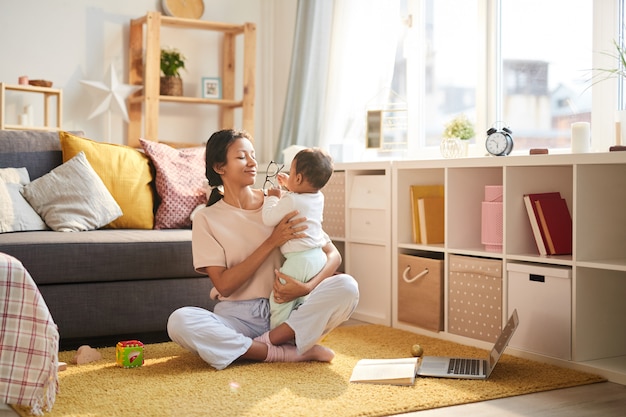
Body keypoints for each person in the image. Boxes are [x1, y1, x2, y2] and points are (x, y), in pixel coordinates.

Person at [167, 129, 359, 370]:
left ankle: (259, 346)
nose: (252, 162)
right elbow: (224, 285)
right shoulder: (206, 218)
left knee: (347, 286)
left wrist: (307, 287)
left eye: (253, 155)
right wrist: (271, 242)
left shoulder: (281, 200)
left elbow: (333, 254)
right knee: (180, 321)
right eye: (241, 157)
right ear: (220, 167)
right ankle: (283, 353)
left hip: (290, 310)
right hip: (239, 318)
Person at [261, 148, 333, 329]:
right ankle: (300, 331)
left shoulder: (291, 200)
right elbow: (301, 196)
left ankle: (275, 336)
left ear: (299, 178)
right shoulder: (319, 196)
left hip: (299, 260)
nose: (289, 176)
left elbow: (268, 218)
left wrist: (272, 198)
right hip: (317, 258)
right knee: (301, 301)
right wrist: (289, 184)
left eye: (292, 173)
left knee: (279, 298)